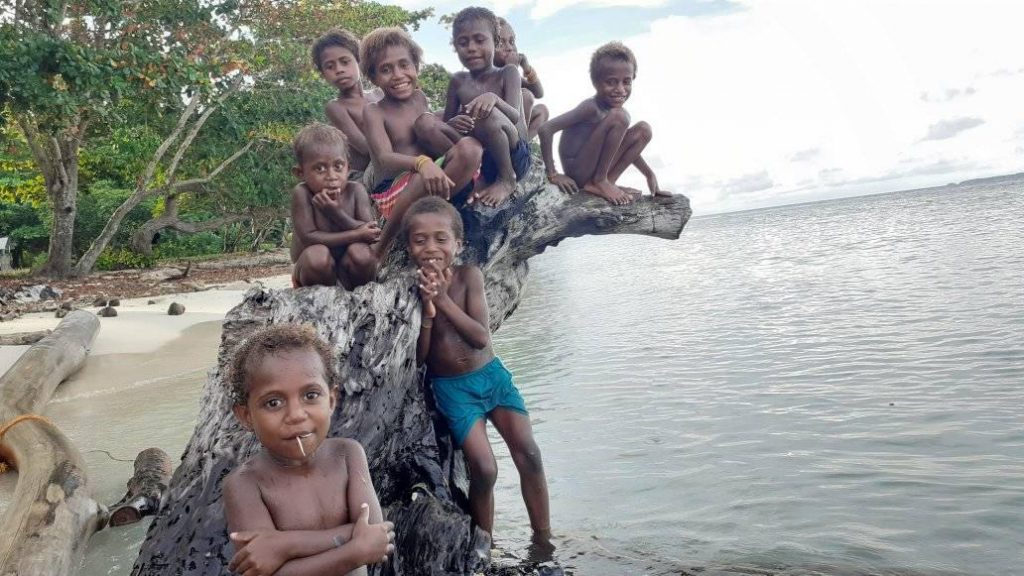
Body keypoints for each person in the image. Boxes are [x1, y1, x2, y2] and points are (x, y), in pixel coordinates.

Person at [405, 196, 551, 546]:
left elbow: (480, 337)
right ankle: (484, 546)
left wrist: (442, 301)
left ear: (458, 244)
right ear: (409, 246)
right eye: (420, 239)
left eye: (441, 238)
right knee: (484, 469)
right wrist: (427, 313)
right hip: (453, 390)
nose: (431, 247)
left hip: (491, 378)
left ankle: (543, 539)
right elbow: (422, 359)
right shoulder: (410, 289)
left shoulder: (469, 277)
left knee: (529, 452)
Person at [222, 324, 394, 576]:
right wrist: (353, 551)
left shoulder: (347, 454)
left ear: (332, 400)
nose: (296, 415)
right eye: (273, 402)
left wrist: (284, 544)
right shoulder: (244, 485)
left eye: (311, 395)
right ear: (246, 416)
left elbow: (376, 532)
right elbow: (263, 571)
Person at [360, 26, 482, 259]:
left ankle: (461, 197)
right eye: (386, 69)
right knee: (419, 177)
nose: (397, 75)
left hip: (433, 178)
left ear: (416, 66)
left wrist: (449, 125)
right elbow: (384, 158)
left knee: (471, 147)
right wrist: (421, 163)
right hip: (397, 191)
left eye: (404, 65)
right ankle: (382, 247)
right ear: (373, 77)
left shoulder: (420, 98)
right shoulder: (374, 112)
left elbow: (429, 133)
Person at [538, 41, 671, 205]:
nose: (620, 89)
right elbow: (546, 129)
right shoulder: (591, 107)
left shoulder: (613, 114)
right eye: (611, 82)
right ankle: (600, 182)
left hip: (593, 168)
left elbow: (622, 146)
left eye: (626, 82)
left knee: (643, 130)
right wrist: (553, 174)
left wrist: (649, 174)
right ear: (596, 83)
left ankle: (607, 182)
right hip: (577, 171)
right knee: (621, 116)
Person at [439, 6, 531, 208]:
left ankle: (507, 179)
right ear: (455, 46)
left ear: (495, 42)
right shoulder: (457, 81)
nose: (471, 48)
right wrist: (454, 123)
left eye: (479, 40)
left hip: (515, 154)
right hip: (484, 159)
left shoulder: (507, 73)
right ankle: (480, 178)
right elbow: (446, 123)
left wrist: (494, 99)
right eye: (463, 43)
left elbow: (514, 117)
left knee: (487, 114)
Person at [290, 122, 380, 289]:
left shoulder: (356, 190)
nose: (331, 176)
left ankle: (356, 297)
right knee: (317, 257)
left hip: (348, 270)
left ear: (348, 168)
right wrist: (356, 234)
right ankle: (318, 299)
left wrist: (336, 213)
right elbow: (309, 238)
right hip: (313, 271)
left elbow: (370, 233)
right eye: (320, 169)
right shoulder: (302, 193)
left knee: (362, 255)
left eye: (338, 166)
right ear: (300, 173)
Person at [313, 28, 380, 187]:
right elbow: (365, 148)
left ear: (359, 60)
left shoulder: (379, 94)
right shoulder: (336, 107)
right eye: (330, 66)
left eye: (345, 61)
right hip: (364, 174)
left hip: (390, 160)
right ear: (323, 74)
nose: (339, 70)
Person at [494, 17, 549, 140]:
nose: (509, 48)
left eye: (512, 41)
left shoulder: (513, 73)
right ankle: (516, 150)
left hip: (516, 128)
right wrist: (511, 68)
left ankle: (522, 147)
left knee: (542, 111)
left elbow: (539, 93)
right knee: (525, 96)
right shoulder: (489, 73)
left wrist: (527, 67)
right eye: (501, 43)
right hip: (495, 127)